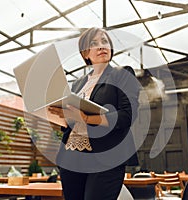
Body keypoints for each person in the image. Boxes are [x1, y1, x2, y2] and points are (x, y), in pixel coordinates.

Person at [49, 27, 140, 200]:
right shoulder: (77, 84)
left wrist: (86, 117)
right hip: (71, 157)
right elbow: (72, 122)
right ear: (85, 54)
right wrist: (60, 116)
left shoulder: (122, 74)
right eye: (94, 43)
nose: (101, 46)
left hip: (106, 155)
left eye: (104, 42)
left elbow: (126, 116)